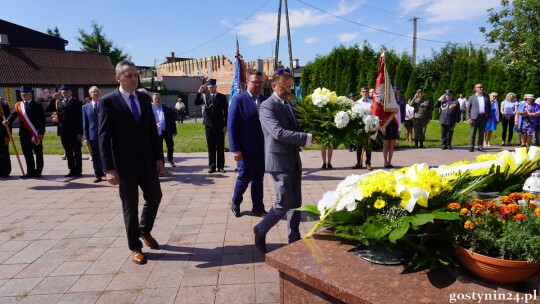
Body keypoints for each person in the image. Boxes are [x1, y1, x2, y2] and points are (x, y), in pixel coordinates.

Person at [98, 60, 164, 265]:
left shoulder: (144, 99)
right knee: (130, 206)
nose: (134, 79)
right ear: (118, 78)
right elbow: (103, 136)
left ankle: (144, 230)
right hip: (124, 165)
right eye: (129, 75)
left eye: (135, 75)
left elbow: (152, 131)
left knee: (155, 196)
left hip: (146, 161)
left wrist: (159, 158)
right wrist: (108, 168)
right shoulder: (108, 102)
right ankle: (135, 247)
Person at [254, 69, 313, 253]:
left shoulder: (290, 104)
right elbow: (278, 132)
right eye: (284, 86)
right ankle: (261, 229)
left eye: (290, 86)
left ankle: (293, 239)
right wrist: (308, 138)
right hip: (278, 160)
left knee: (296, 202)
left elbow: (298, 125)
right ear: (273, 86)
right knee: (284, 202)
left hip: (294, 158)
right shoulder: (267, 106)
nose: (288, 90)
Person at [228, 71, 268, 218]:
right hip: (244, 149)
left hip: (261, 148)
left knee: (258, 178)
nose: (257, 85)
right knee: (244, 177)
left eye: (260, 82)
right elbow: (232, 125)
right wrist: (235, 149)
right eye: (254, 82)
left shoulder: (265, 100)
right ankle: (236, 201)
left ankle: (258, 207)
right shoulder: (238, 100)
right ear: (247, 83)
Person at [3, 87, 45, 178]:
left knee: (38, 153)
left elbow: (42, 120)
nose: (23, 96)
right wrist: (8, 121)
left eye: (25, 94)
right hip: (24, 134)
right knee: (27, 153)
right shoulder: (19, 105)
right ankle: (30, 171)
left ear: (31, 94)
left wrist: (41, 133)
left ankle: (38, 171)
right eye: (22, 94)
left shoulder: (37, 105)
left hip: (35, 133)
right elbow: (13, 114)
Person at [48, 85, 83, 177]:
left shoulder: (77, 102)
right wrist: (53, 98)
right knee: (68, 151)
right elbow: (47, 109)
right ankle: (72, 170)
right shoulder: (58, 102)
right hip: (63, 131)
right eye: (63, 93)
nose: (65, 94)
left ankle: (78, 170)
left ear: (71, 92)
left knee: (77, 151)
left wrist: (80, 132)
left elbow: (80, 119)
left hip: (75, 131)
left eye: (67, 92)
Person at [194, 79, 228, 173]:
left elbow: (226, 112)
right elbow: (196, 102)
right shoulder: (205, 96)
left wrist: (226, 125)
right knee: (211, 146)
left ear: (216, 87)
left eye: (212, 87)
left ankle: (221, 166)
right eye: (209, 87)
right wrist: (199, 92)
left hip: (220, 126)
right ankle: (212, 166)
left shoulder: (222, 97)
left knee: (220, 146)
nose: (211, 89)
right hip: (209, 126)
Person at [82, 86, 104, 183]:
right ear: (90, 94)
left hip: (105, 134)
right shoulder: (85, 107)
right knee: (95, 156)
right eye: (94, 92)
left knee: (106, 154)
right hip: (93, 135)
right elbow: (85, 123)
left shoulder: (104, 104)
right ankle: (97, 175)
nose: (96, 93)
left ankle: (107, 171)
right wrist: (86, 137)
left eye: (97, 92)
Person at [152, 92, 177, 167]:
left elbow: (172, 120)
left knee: (170, 146)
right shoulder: (151, 110)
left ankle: (170, 160)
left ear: (161, 99)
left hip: (167, 130)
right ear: (152, 100)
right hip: (157, 132)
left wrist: (174, 130)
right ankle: (161, 162)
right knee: (159, 148)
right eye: (155, 98)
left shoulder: (167, 109)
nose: (157, 100)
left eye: (158, 98)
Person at [352, 87, 373, 170]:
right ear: (360, 93)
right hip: (360, 127)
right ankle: (358, 162)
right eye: (363, 92)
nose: (365, 93)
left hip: (369, 126)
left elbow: (373, 113)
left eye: (366, 92)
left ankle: (368, 163)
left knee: (368, 145)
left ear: (368, 93)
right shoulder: (357, 103)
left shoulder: (372, 102)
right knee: (359, 145)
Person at [467, 84, 491, 152]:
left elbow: (489, 108)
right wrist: (468, 118)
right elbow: (468, 109)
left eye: (482, 87)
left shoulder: (486, 96)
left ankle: (480, 146)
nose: (481, 88)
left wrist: (489, 117)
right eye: (479, 87)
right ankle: (471, 146)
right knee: (473, 133)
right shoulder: (471, 97)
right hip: (474, 118)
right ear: (475, 89)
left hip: (483, 117)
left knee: (481, 133)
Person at [0, 97, 11, 178]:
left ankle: (5, 171)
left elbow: (7, 121)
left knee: (4, 153)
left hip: (2, 134)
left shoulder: (3, 104)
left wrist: (8, 135)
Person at [82, 97, 93, 161]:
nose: (89, 103)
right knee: (87, 142)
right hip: (87, 127)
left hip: (92, 127)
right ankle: (91, 155)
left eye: (90, 101)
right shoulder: (84, 108)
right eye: (87, 102)